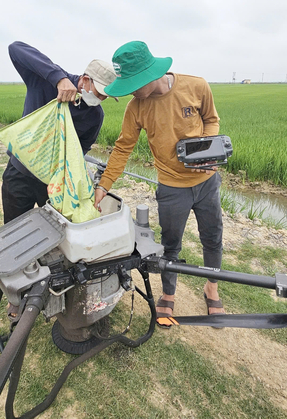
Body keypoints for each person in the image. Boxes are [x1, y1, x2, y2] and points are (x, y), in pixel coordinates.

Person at [95, 41, 225, 328]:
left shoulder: (196, 86)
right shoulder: (136, 107)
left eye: (133, 83)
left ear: (149, 74)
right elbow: (123, 147)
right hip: (171, 186)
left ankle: (211, 288)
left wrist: (209, 149)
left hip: (206, 182)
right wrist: (104, 184)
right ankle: (169, 292)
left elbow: (211, 120)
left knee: (212, 236)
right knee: (170, 243)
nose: (130, 90)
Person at [1, 41, 118, 224]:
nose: (102, 98)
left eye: (106, 96)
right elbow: (15, 48)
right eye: (101, 92)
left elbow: (81, 150)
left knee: (54, 232)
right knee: (13, 229)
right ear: (86, 80)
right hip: (20, 173)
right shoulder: (47, 81)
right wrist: (59, 79)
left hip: (53, 185)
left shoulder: (95, 115)